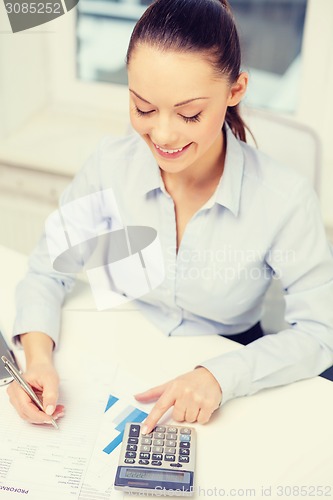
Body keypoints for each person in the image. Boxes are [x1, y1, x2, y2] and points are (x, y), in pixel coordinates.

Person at [7, 0, 333, 431]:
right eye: (143, 108)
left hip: (226, 370)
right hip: (123, 351)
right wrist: (37, 360)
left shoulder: (284, 199)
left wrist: (220, 376)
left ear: (236, 91)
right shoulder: (110, 166)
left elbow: (320, 331)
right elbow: (48, 269)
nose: (162, 135)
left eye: (189, 114)